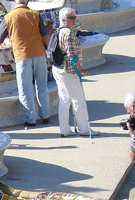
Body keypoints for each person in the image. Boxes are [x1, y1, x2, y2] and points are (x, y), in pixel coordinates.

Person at [0, 0, 50, 128]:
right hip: (39, 53)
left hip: (22, 55)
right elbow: (46, 36)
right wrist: (49, 49)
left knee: (25, 88)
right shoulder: (35, 14)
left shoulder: (9, 17)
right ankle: (45, 115)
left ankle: (31, 119)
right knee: (42, 86)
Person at [51, 7, 97, 137]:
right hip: (68, 71)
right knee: (78, 100)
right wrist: (80, 70)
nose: (74, 19)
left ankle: (64, 129)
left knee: (64, 100)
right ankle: (84, 129)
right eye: (71, 17)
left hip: (58, 69)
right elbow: (73, 55)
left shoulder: (58, 31)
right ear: (64, 20)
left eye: (74, 16)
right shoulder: (69, 33)